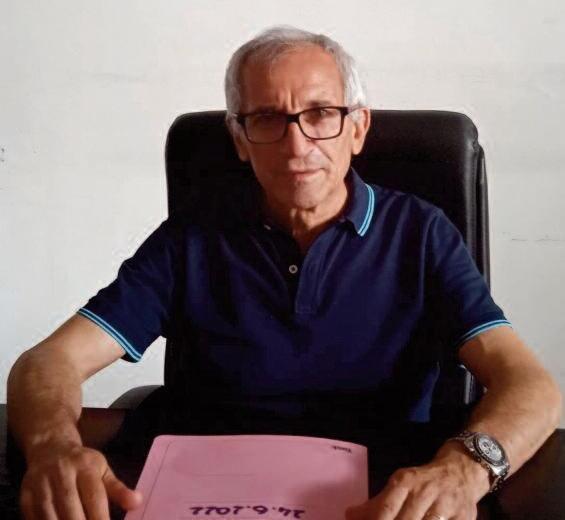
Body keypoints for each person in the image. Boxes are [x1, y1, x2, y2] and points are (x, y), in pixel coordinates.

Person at [7, 25, 561, 520]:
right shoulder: (191, 237)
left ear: (357, 128)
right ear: (239, 139)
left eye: (320, 114)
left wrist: (466, 469)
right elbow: (49, 362)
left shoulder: (421, 233)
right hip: (204, 492)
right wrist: (54, 447)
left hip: (382, 493)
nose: (297, 145)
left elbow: (529, 384)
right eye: (268, 119)